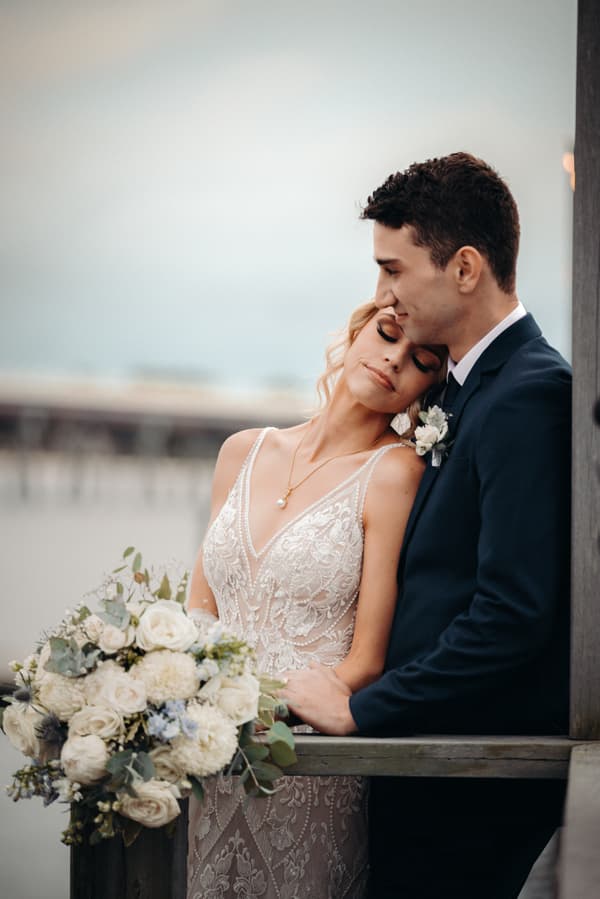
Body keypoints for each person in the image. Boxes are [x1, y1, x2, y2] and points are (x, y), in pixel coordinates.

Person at [283, 152, 572, 899]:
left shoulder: (529, 395)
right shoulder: (476, 387)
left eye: (393, 269)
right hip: (428, 770)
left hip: (464, 789)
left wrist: (363, 708)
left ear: (466, 267)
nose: (383, 293)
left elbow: (513, 614)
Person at [186, 301, 447, 898]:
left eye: (420, 362)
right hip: (210, 751)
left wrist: (268, 709)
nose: (393, 361)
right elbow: (198, 613)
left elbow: (365, 662)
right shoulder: (241, 451)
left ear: (425, 390)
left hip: (302, 759)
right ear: (357, 331)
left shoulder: (394, 473)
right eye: (386, 336)